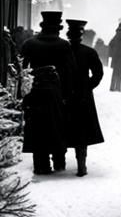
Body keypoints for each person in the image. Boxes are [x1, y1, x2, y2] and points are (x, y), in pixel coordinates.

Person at [19, 10, 78, 173]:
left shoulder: (29, 44)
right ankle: (59, 160)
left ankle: (40, 163)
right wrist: (68, 94)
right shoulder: (64, 46)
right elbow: (70, 71)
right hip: (56, 93)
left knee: (37, 128)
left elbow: (22, 70)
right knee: (57, 126)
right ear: (58, 28)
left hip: (35, 92)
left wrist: (23, 94)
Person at [64, 18, 105, 177]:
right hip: (83, 96)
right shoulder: (89, 52)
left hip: (65, 94)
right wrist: (88, 86)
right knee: (81, 132)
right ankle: (82, 165)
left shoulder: (62, 51)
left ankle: (59, 161)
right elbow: (98, 74)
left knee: (63, 127)